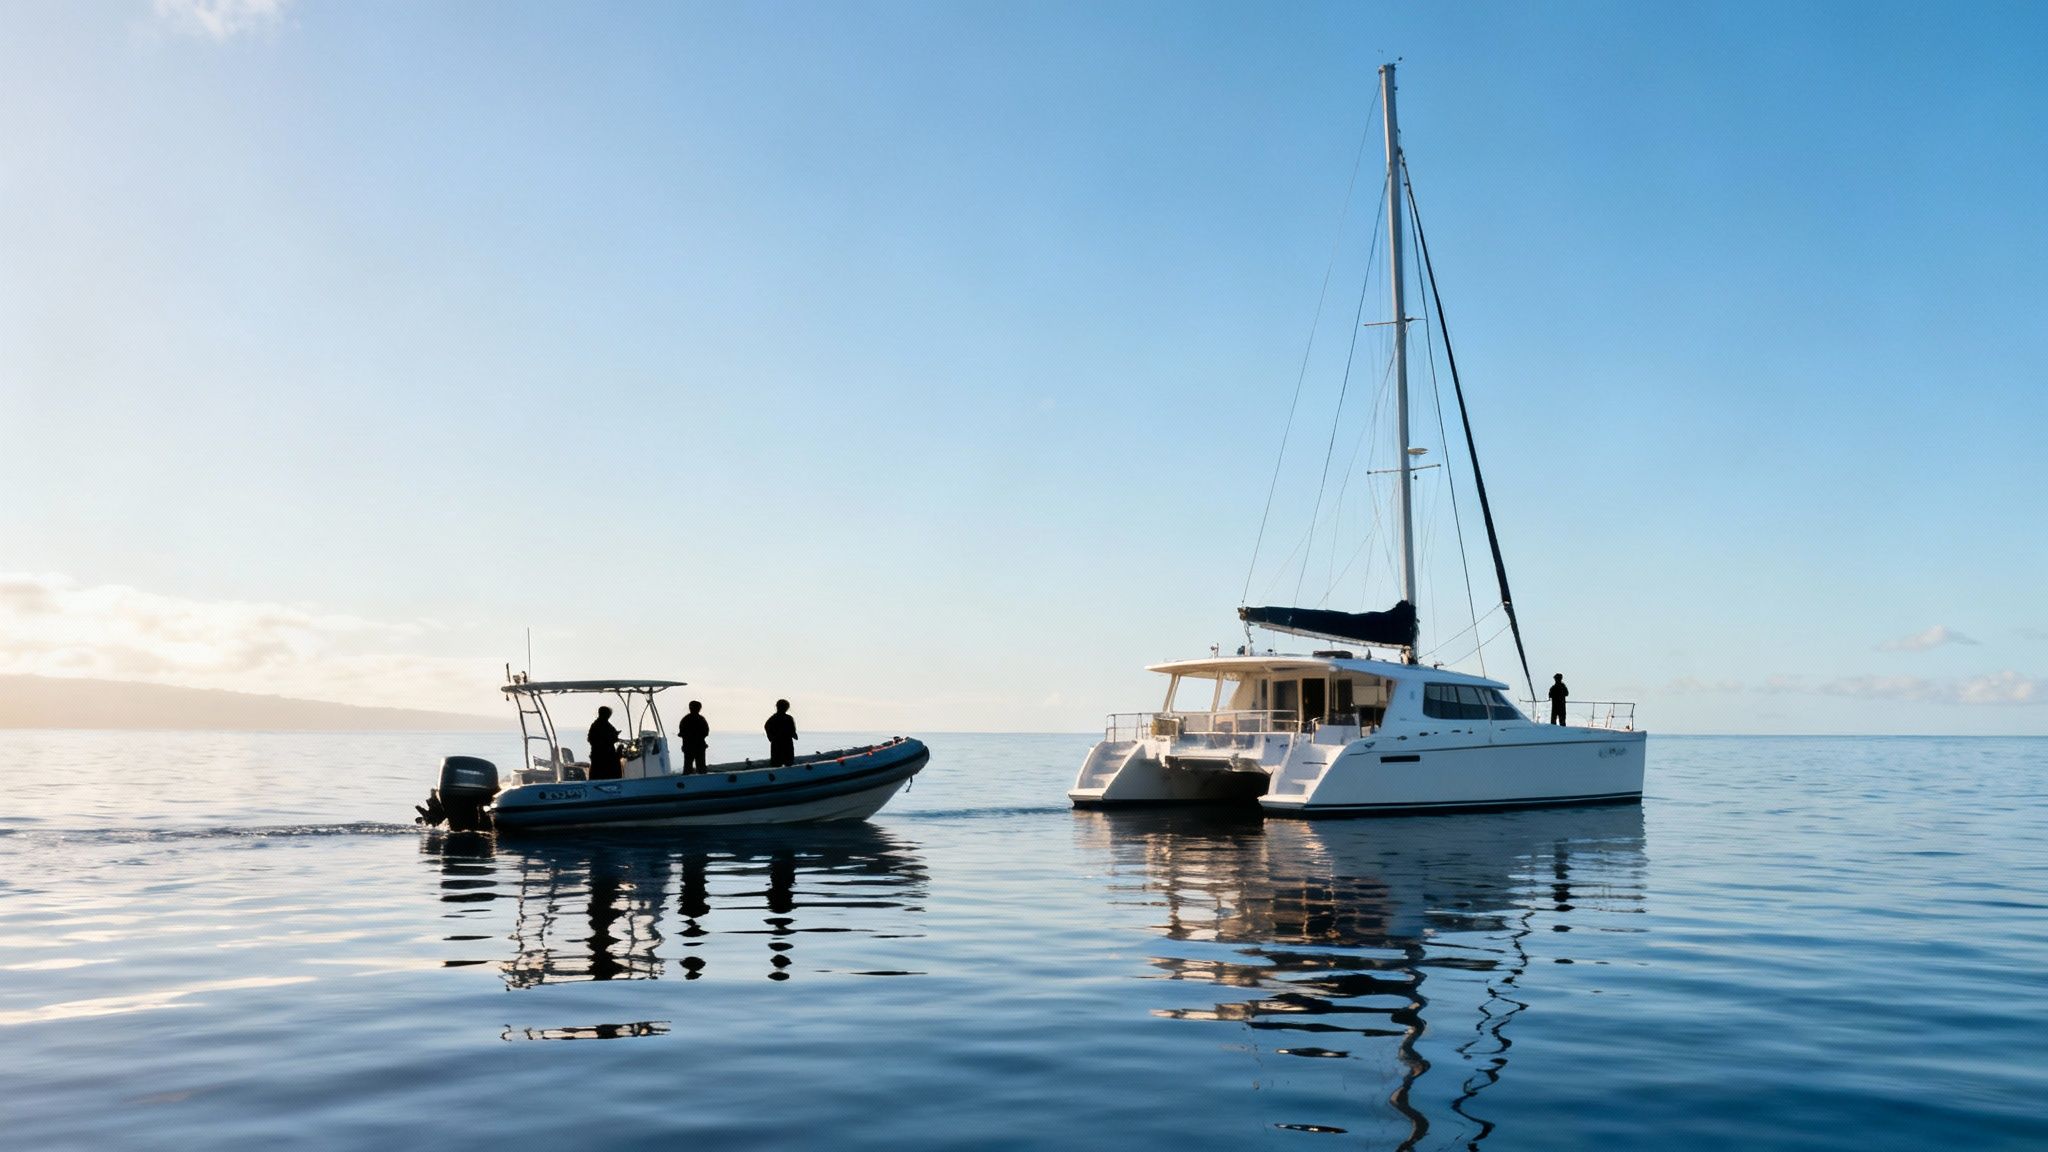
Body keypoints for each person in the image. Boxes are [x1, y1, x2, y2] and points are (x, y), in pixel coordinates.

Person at [588, 705, 622, 780]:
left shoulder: (596, 724)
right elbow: (595, 739)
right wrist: (613, 737)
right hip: (606, 756)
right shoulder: (603, 725)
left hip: (599, 755)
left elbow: (591, 738)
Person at [677, 700, 710, 774]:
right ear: (699, 709)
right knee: (701, 767)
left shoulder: (685, 719)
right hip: (699, 746)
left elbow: (682, 733)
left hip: (688, 746)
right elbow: (706, 732)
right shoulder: (701, 719)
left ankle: (686, 779)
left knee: (687, 767)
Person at [764, 699, 798, 767]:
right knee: (788, 763)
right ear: (787, 708)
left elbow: (766, 726)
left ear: (777, 707)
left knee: (776, 763)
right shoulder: (789, 718)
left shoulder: (773, 718)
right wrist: (794, 735)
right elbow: (793, 731)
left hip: (776, 744)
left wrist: (771, 738)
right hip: (787, 743)